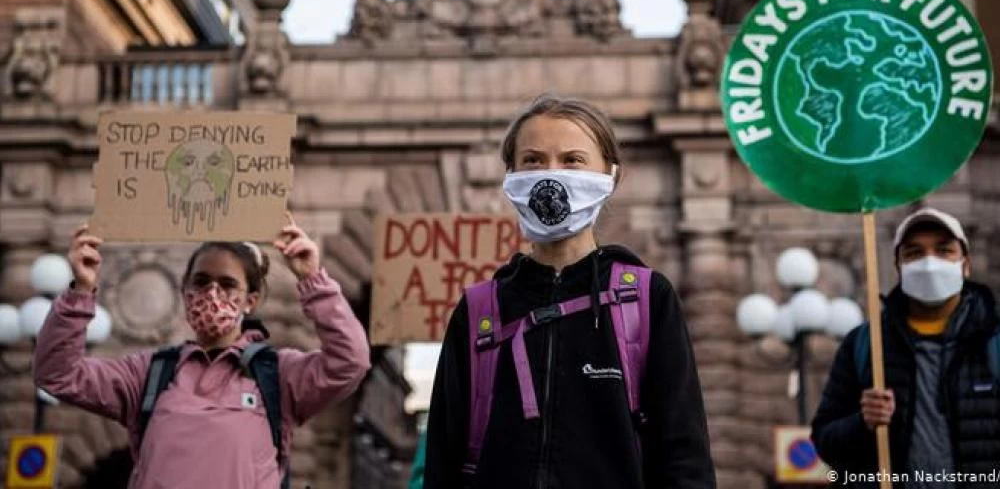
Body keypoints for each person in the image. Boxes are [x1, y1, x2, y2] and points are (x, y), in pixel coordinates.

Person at [423, 95, 715, 489]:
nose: (552, 174)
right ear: (510, 175)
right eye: (533, 160)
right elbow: (443, 463)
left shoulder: (648, 299)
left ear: (610, 175)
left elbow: (685, 456)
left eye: (572, 160)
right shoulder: (479, 311)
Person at [33, 215, 371, 489]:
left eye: (227, 284)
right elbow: (57, 374)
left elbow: (350, 362)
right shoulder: (148, 373)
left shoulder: (279, 375)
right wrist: (81, 290)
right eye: (201, 281)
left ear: (251, 300)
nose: (212, 293)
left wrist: (313, 281)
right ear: (185, 292)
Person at [812, 207, 1000, 487]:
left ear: (965, 264)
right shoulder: (865, 344)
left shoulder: (993, 340)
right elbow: (825, 442)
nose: (929, 263)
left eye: (944, 250)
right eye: (914, 253)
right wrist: (863, 423)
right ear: (899, 267)